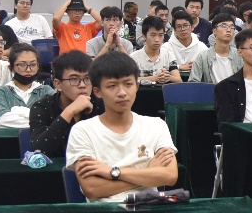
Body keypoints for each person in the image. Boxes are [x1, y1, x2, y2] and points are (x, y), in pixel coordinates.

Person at [65, 52, 179, 202]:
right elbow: (92, 189)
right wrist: (148, 172)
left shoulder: (156, 125)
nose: (122, 93)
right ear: (97, 91)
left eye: (128, 84)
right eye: (112, 86)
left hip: (149, 210)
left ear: (137, 86)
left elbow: (170, 176)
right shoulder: (82, 131)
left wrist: (113, 172)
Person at [29, 51, 100, 158]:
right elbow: (39, 150)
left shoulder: (101, 104)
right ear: (58, 84)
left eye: (87, 78)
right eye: (74, 79)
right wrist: (70, 111)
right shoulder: (42, 107)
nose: (82, 85)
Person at [0, 44, 52, 128]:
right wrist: (40, 121)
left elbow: (56, 117)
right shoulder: (0, 93)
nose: (28, 69)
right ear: (11, 67)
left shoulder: (47, 91)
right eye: (22, 65)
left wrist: (18, 112)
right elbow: (1, 120)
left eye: (33, 64)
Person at [190, 14, 242, 84]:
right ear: (214, 31)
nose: (228, 30)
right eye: (224, 26)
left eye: (232, 27)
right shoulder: (203, 57)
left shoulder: (240, 56)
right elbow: (193, 84)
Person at [133, 15, 180, 83]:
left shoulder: (168, 55)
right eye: (153, 35)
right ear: (144, 36)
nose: (157, 40)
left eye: (161, 35)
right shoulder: (134, 58)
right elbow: (129, 80)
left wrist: (168, 77)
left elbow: (179, 81)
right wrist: (154, 78)